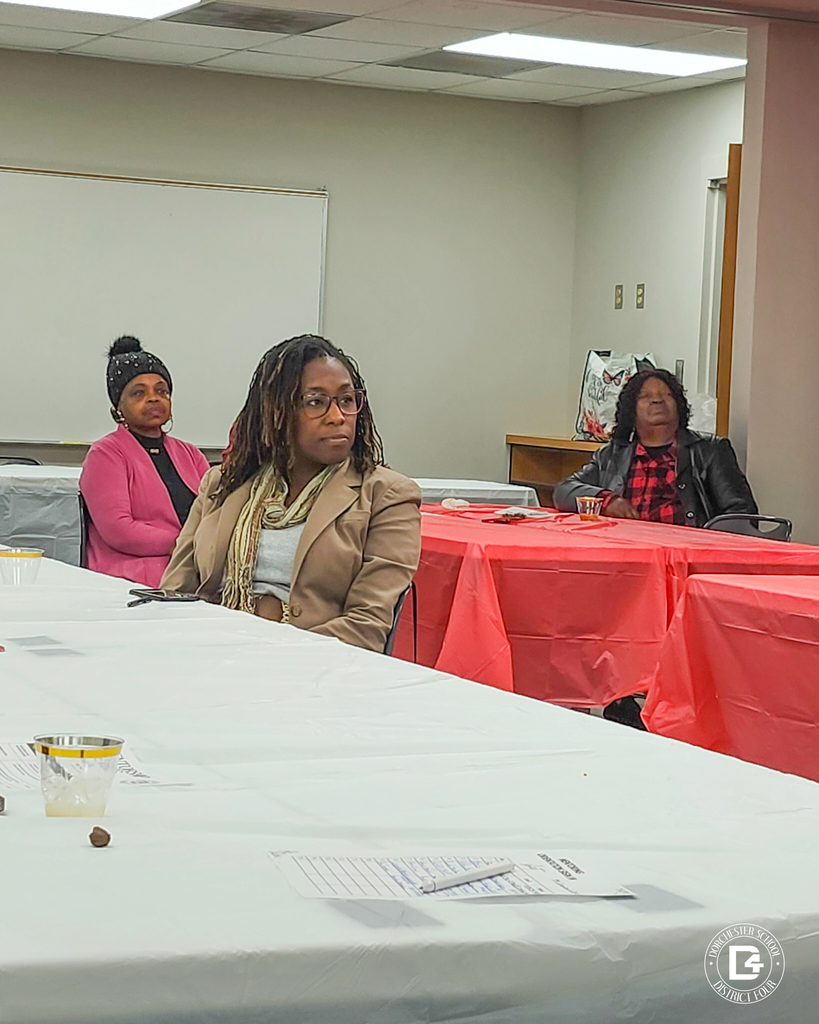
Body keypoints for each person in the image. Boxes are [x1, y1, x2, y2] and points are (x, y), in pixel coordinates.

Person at [161, 334, 421, 653]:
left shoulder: (386, 496)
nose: (338, 416)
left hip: (308, 667)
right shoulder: (221, 485)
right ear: (277, 412)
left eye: (347, 400)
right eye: (316, 402)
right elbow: (175, 592)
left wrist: (268, 649)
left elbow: (365, 628)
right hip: (208, 651)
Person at [80, 336, 210, 587]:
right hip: (131, 579)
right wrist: (186, 544)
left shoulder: (190, 454)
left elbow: (216, 511)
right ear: (118, 406)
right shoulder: (105, 454)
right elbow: (119, 530)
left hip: (196, 569)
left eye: (161, 391)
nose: (153, 398)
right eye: (139, 393)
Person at [554, 368, 757, 526]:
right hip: (625, 551)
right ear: (630, 411)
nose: (657, 400)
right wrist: (607, 501)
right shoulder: (611, 455)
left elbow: (741, 514)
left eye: (667, 395)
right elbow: (564, 491)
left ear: (679, 405)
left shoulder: (710, 451)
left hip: (684, 556)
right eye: (645, 396)